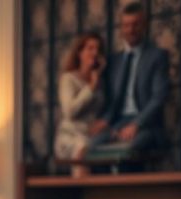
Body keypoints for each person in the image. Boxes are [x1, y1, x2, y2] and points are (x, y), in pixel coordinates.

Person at [88, 2, 169, 159]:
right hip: (118, 122)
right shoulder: (113, 61)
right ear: (121, 28)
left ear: (144, 25)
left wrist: (137, 123)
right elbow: (112, 100)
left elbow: (159, 97)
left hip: (147, 124)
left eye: (135, 25)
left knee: (126, 151)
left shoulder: (157, 56)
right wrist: (105, 120)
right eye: (126, 25)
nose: (130, 30)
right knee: (92, 148)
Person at [54, 33, 106, 177]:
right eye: (90, 48)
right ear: (80, 53)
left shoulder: (101, 82)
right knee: (82, 147)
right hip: (71, 137)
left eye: (98, 49)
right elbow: (70, 111)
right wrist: (90, 87)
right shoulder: (68, 79)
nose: (95, 53)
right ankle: (81, 193)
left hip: (92, 135)